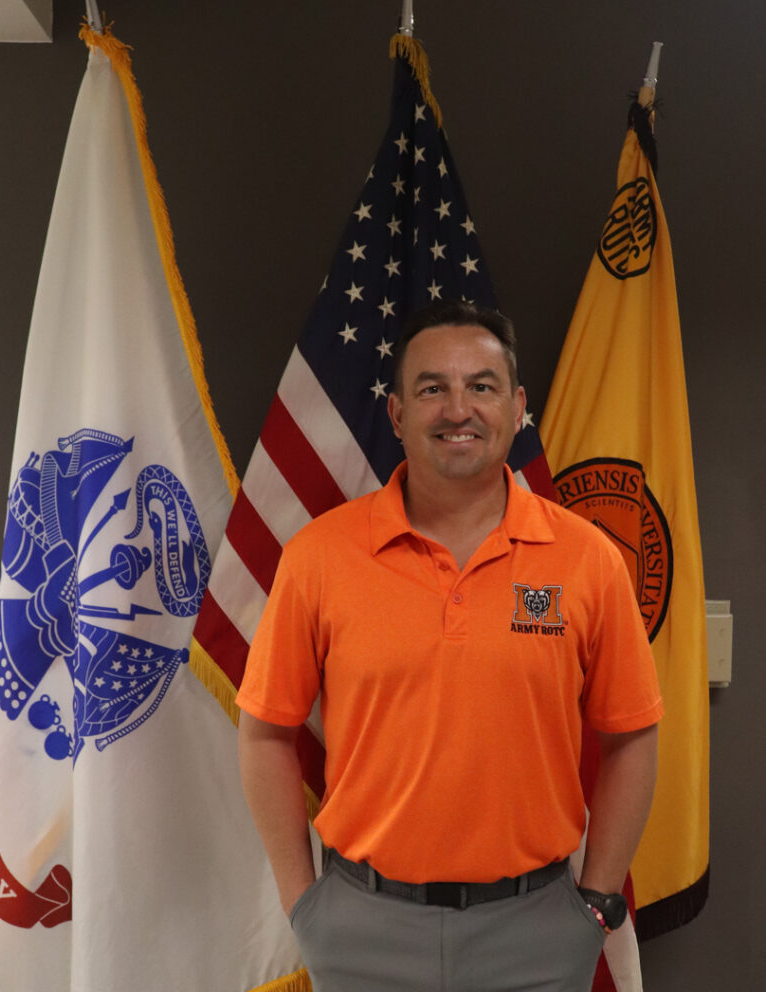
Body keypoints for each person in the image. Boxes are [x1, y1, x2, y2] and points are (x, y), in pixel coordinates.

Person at [237, 300, 662, 992]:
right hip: (359, 929)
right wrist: (303, 902)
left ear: (517, 407)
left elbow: (632, 736)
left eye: (481, 387)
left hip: (536, 935)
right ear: (398, 414)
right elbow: (263, 734)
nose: (456, 408)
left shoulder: (586, 561)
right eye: (432, 387)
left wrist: (597, 901)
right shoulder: (319, 557)